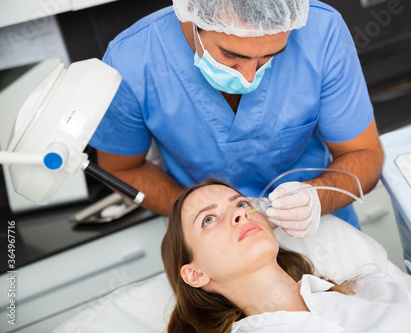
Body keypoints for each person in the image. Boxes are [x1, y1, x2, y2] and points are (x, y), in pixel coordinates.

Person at [89, 0, 385, 236]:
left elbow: (365, 155)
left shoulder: (320, 31)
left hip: (323, 232)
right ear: (190, 14)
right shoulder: (132, 60)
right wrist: (207, 216)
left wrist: (316, 200)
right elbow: (123, 170)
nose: (249, 78)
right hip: (220, 245)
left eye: (270, 57)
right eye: (232, 56)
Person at [161, 178, 411, 333]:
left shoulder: (372, 287)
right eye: (208, 219)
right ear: (195, 273)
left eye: (241, 204)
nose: (240, 215)